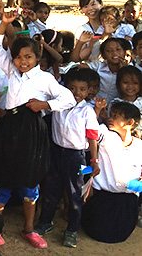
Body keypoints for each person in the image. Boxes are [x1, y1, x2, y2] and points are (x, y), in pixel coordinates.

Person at [0, 11, 76, 249]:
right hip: (9, 128)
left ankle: (29, 229)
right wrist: (4, 24)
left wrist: (45, 104)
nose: (22, 61)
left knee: (30, 180)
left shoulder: (45, 79)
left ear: (37, 57)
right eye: (17, 57)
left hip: (32, 133)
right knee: (4, 177)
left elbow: (68, 98)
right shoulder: (11, 71)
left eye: (27, 56)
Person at [34, 69, 100, 248]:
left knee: (75, 193)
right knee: (50, 189)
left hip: (77, 157)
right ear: (64, 88)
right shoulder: (57, 105)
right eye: (72, 88)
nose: (77, 93)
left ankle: (72, 229)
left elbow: (92, 137)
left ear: (88, 91)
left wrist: (94, 160)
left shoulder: (87, 111)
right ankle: (45, 221)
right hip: (56, 152)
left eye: (82, 89)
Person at [81, 101, 142, 243]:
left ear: (130, 122)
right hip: (103, 197)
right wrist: (97, 110)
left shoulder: (139, 145)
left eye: (116, 116)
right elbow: (90, 131)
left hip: (127, 200)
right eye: (111, 115)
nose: (111, 118)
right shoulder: (105, 133)